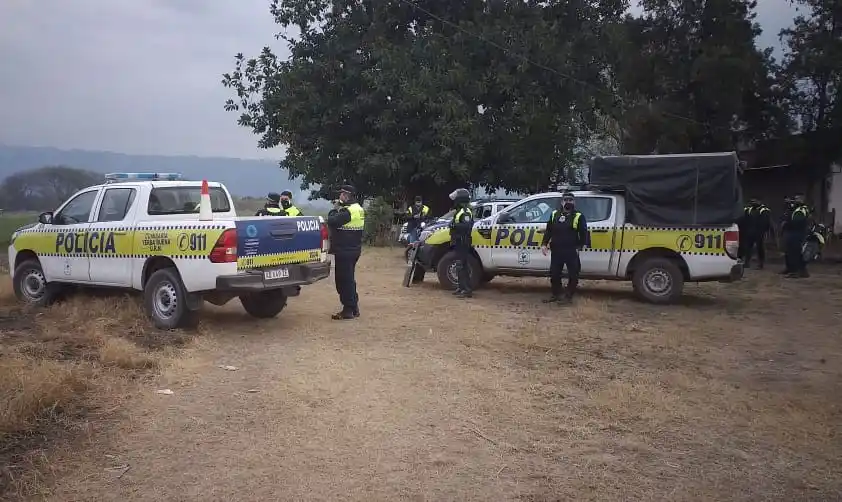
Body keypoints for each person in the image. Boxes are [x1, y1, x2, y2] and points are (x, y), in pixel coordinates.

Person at [540, 191, 589, 303]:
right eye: (566, 200)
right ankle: (556, 294)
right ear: (562, 202)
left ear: (574, 202)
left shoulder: (578, 216)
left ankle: (568, 296)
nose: (568, 202)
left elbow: (583, 232)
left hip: (571, 250)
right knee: (554, 273)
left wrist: (580, 246)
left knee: (573, 274)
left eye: (570, 200)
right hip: (556, 250)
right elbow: (549, 230)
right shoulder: (554, 214)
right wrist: (544, 244)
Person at [326, 184, 365, 319]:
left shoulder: (347, 211)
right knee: (349, 280)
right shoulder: (358, 209)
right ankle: (354, 308)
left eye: (341, 194)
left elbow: (331, 221)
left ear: (346, 196)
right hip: (353, 249)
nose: (339, 196)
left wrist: (334, 209)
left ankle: (348, 310)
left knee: (343, 281)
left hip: (345, 250)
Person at [448, 188, 474, 298]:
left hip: (463, 241)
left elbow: (467, 226)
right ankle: (461, 287)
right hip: (458, 241)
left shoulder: (465, 212)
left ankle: (467, 289)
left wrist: (454, 225)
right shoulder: (459, 211)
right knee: (459, 265)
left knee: (462, 265)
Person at [781, 196, 810, 278]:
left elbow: (797, 221)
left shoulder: (802, 209)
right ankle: (792, 269)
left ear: (802, 200)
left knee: (795, 252)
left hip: (797, 233)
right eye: (795, 198)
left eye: (798, 199)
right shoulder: (794, 208)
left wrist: (786, 224)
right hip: (791, 232)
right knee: (789, 252)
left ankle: (796, 271)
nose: (795, 200)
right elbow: (787, 216)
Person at [742, 198, 770, 269]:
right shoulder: (749, 209)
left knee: (760, 248)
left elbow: (765, 222)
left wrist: (762, 231)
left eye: (755, 201)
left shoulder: (764, 210)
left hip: (759, 232)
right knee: (748, 247)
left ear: (759, 201)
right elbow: (745, 219)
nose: (753, 203)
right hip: (750, 231)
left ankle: (761, 263)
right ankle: (747, 262)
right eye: (752, 201)